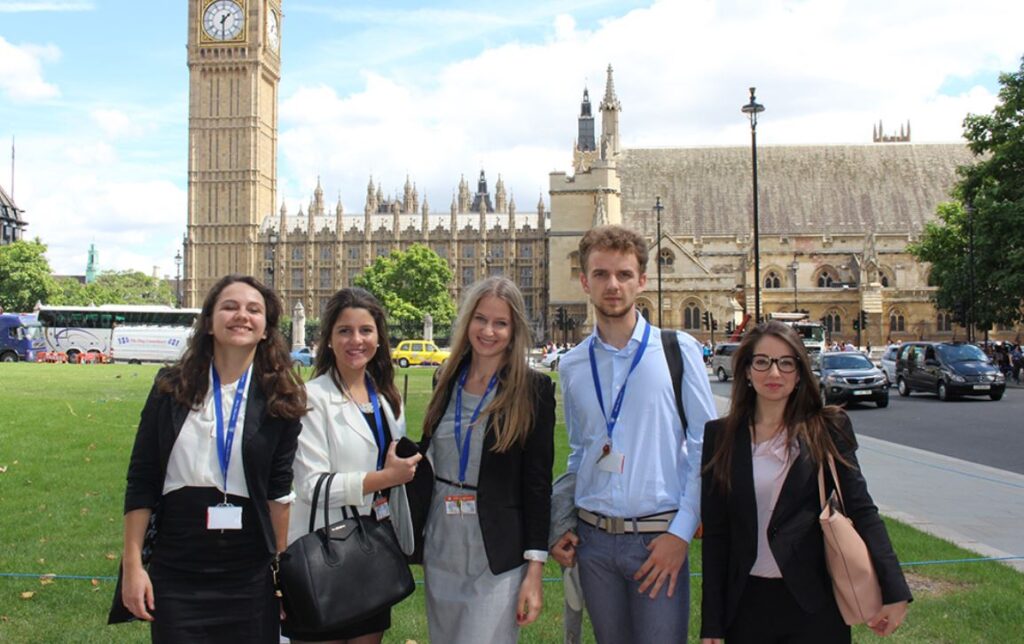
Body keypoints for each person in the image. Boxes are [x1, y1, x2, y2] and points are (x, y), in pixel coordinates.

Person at [116, 274, 307, 642]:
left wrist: (280, 576)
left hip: (248, 571)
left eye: (254, 309)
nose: (242, 316)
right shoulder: (170, 387)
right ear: (208, 321)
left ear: (266, 329)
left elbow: (278, 495)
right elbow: (142, 481)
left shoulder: (280, 399)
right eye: (229, 307)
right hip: (177, 565)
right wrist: (133, 564)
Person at [551, 225, 717, 643]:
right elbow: (580, 451)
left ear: (642, 280)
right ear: (585, 281)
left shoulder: (678, 351)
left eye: (624, 274)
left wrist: (681, 533)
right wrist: (562, 520)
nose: (613, 285)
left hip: (657, 539)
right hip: (593, 540)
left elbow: (706, 447)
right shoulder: (572, 365)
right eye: (602, 274)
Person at [700, 321, 911, 643]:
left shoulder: (828, 428)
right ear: (745, 370)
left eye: (786, 363)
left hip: (815, 605)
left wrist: (894, 588)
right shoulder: (720, 436)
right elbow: (717, 534)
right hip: (746, 607)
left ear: (800, 373)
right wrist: (711, 623)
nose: (774, 374)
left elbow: (862, 509)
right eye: (762, 362)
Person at [414, 276, 556, 643]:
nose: (488, 331)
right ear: (467, 321)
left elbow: (537, 485)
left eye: (500, 323)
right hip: (442, 541)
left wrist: (535, 570)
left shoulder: (533, 390)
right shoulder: (445, 379)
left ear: (514, 329)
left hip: (496, 547)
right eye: (480, 319)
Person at [284, 287, 422, 644]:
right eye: (344, 330)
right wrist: (384, 478)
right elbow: (311, 486)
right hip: (324, 550)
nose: (355, 340)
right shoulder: (311, 397)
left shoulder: (388, 398)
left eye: (365, 330)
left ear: (379, 338)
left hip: (372, 548)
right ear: (328, 339)